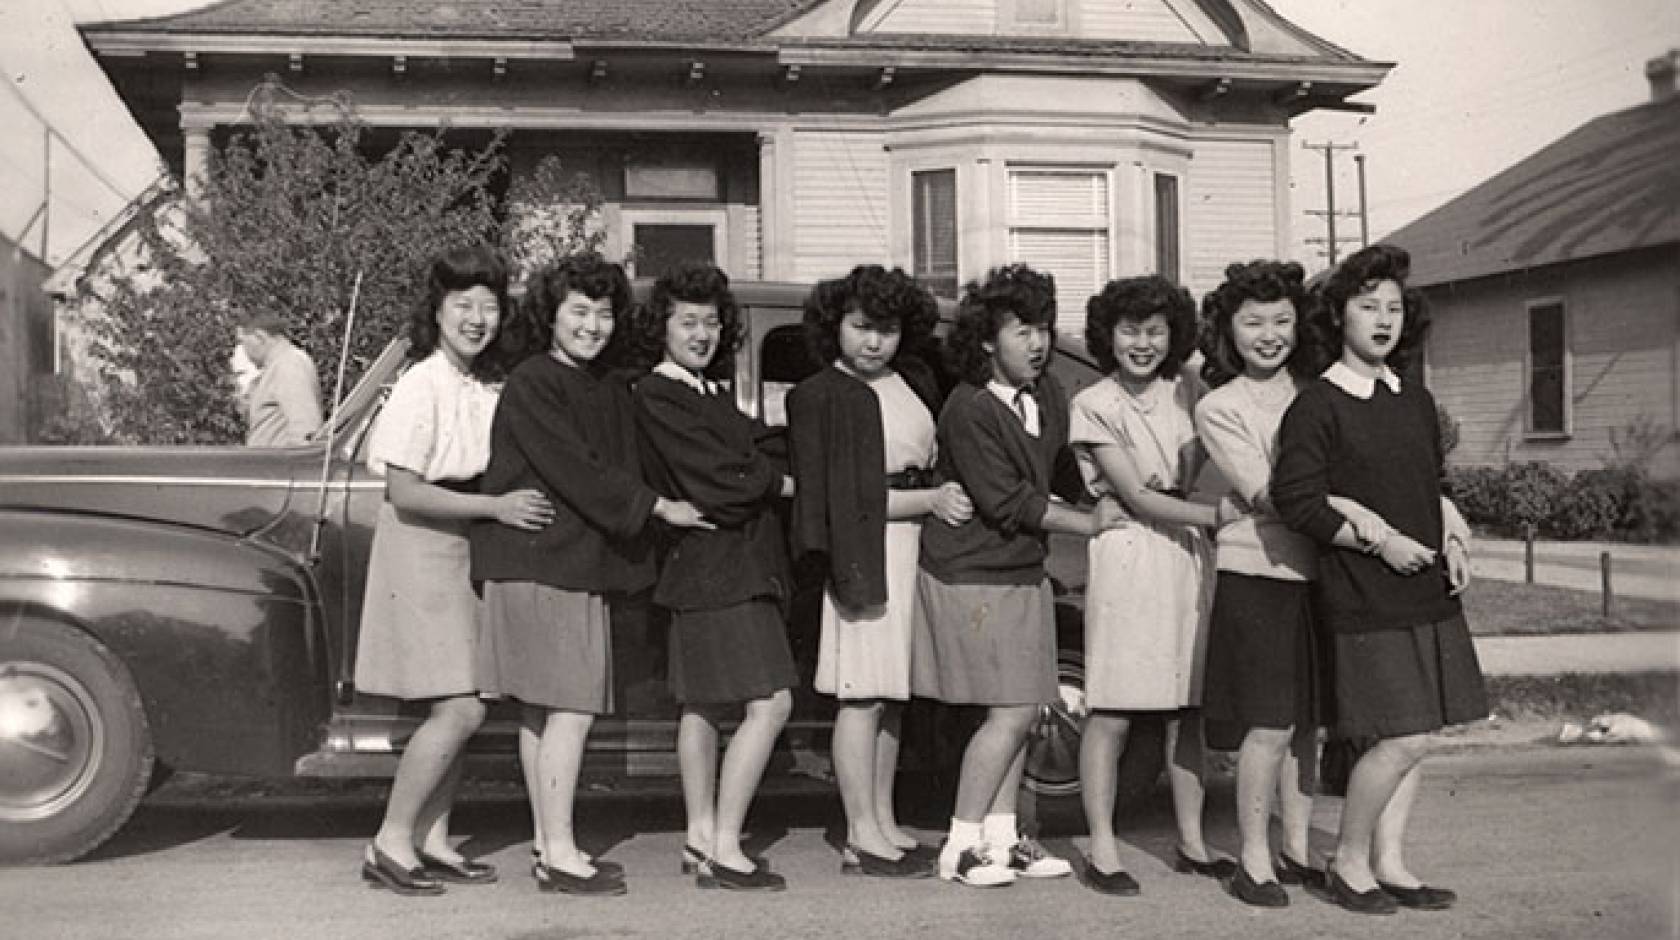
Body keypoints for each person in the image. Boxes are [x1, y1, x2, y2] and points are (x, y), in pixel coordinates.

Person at [471, 253, 711, 897]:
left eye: (605, 313)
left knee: (544, 717)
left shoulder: (605, 384)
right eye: (578, 310)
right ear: (550, 315)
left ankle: (550, 844)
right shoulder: (534, 382)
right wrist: (660, 507)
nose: (593, 325)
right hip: (545, 565)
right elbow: (578, 470)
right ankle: (559, 853)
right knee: (570, 711)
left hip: (553, 564)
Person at [1272, 243, 1486, 916]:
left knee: (1420, 734)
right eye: (1368, 306)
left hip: (1427, 587)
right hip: (1364, 592)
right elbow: (1298, 501)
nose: (1383, 320)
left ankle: (1390, 861)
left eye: (1394, 307)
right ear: (1338, 317)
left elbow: (1431, 483)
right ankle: (1348, 859)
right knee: (1403, 735)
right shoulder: (1318, 406)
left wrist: (1451, 530)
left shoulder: (1413, 398)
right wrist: (1379, 540)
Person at [355, 245, 554, 896]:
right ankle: (390, 839)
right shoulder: (422, 382)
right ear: (436, 311)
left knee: (465, 701)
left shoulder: (482, 381)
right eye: (462, 305)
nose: (476, 318)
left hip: (463, 543)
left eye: (488, 306)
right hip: (422, 544)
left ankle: (433, 839)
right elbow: (404, 491)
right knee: (461, 709)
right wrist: (496, 506)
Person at [912, 264, 1117, 888]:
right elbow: (1009, 503)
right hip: (971, 574)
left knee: (1025, 711)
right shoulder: (968, 410)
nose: (1038, 343)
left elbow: (1056, 472)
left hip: (1021, 570)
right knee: (1009, 712)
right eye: (1022, 331)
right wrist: (1092, 524)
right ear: (985, 341)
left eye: (1044, 329)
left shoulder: (1047, 392)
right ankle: (962, 844)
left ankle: (1004, 841)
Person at [787, 265, 967, 879]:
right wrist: (932, 500)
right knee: (861, 696)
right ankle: (859, 833)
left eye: (886, 330)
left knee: (893, 697)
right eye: (861, 328)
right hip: (865, 550)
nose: (872, 343)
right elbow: (842, 500)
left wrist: (932, 497)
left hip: (913, 544)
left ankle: (883, 819)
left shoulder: (910, 380)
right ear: (834, 326)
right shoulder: (818, 395)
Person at [1069, 274, 1239, 896]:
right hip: (1131, 554)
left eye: (1155, 331)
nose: (1142, 343)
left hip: (1188, 556)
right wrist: (1216, 518)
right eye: (1129, 330)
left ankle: (1191, 841)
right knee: (1112, 708)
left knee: (1188, 708)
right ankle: (1104, 846)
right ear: (1107, 336)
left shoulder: (1189, 388)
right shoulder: (1093, 403)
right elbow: (1137, 494)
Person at [632, 263, 798, 891]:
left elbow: (752, 451)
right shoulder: (659, 393)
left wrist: (752, 466)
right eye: (687, 321)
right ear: (663, 327)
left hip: (712, 567)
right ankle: (727, 844)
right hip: (719, 567)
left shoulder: (705, 391)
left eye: (711, 321)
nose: (702, 333)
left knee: (702, 706)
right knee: (771, 702)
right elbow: (720, 482)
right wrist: (772, 480)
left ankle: (702, 836)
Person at [1193, 260, 1334, 907]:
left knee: (1309, 724)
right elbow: (1268, 494)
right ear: (1230, 330)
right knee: (1270, 724)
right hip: (1258, 572)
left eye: (1282, 320)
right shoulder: (1219, 407)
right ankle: (1253, 858)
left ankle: (1297, 850)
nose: (1269, 334)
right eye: (1253, 322)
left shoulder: (1318, 388)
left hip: (1320, 571)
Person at [235, 311, 324, 446]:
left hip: (283, 465)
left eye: (242, 342)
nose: (243, 351)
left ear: (260, 337)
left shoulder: (289, 363)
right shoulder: (278, 366)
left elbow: (305, 428)